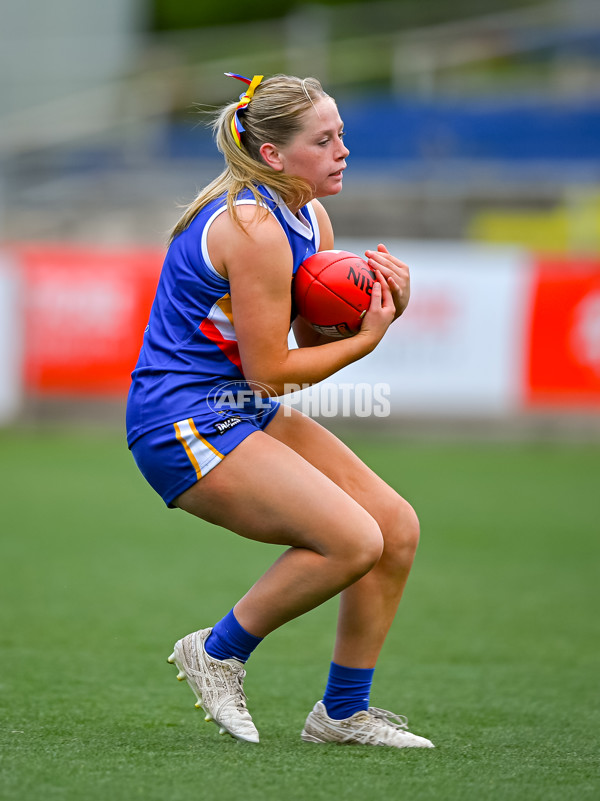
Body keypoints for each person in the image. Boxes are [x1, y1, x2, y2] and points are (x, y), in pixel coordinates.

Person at [126, 72, 434, 749]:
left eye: (340, 135)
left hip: (235, 405)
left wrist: (379, 307)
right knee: (353, 541)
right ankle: (217, 652)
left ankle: (342, 713)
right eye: (323, 140)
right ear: (272, 154)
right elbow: (269, 373)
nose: (342, 150)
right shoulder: (255, 227)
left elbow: (304, 348)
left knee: (395, 529)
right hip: (181, 421)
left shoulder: (309, 217)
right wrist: (368, 340)